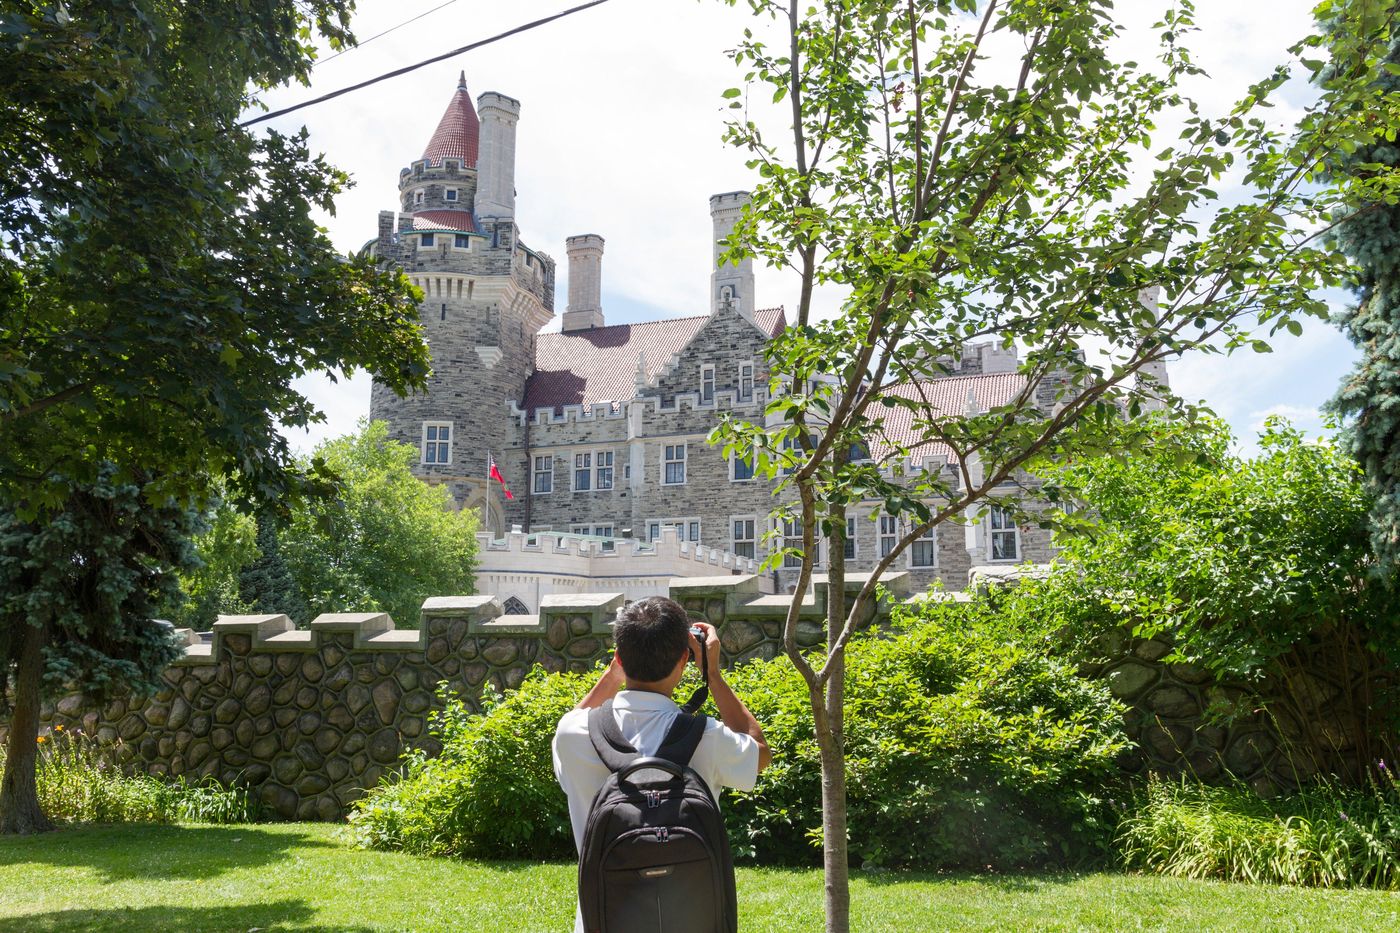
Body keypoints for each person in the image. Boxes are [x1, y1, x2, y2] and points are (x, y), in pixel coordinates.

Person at [552, 596, 771, 933]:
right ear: (686, 658)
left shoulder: (573, 733)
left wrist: (612, 676)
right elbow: (760, 752)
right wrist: (712, 674)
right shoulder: (706, 736)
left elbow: (575, 718)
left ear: (620, 658)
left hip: (602, 921)